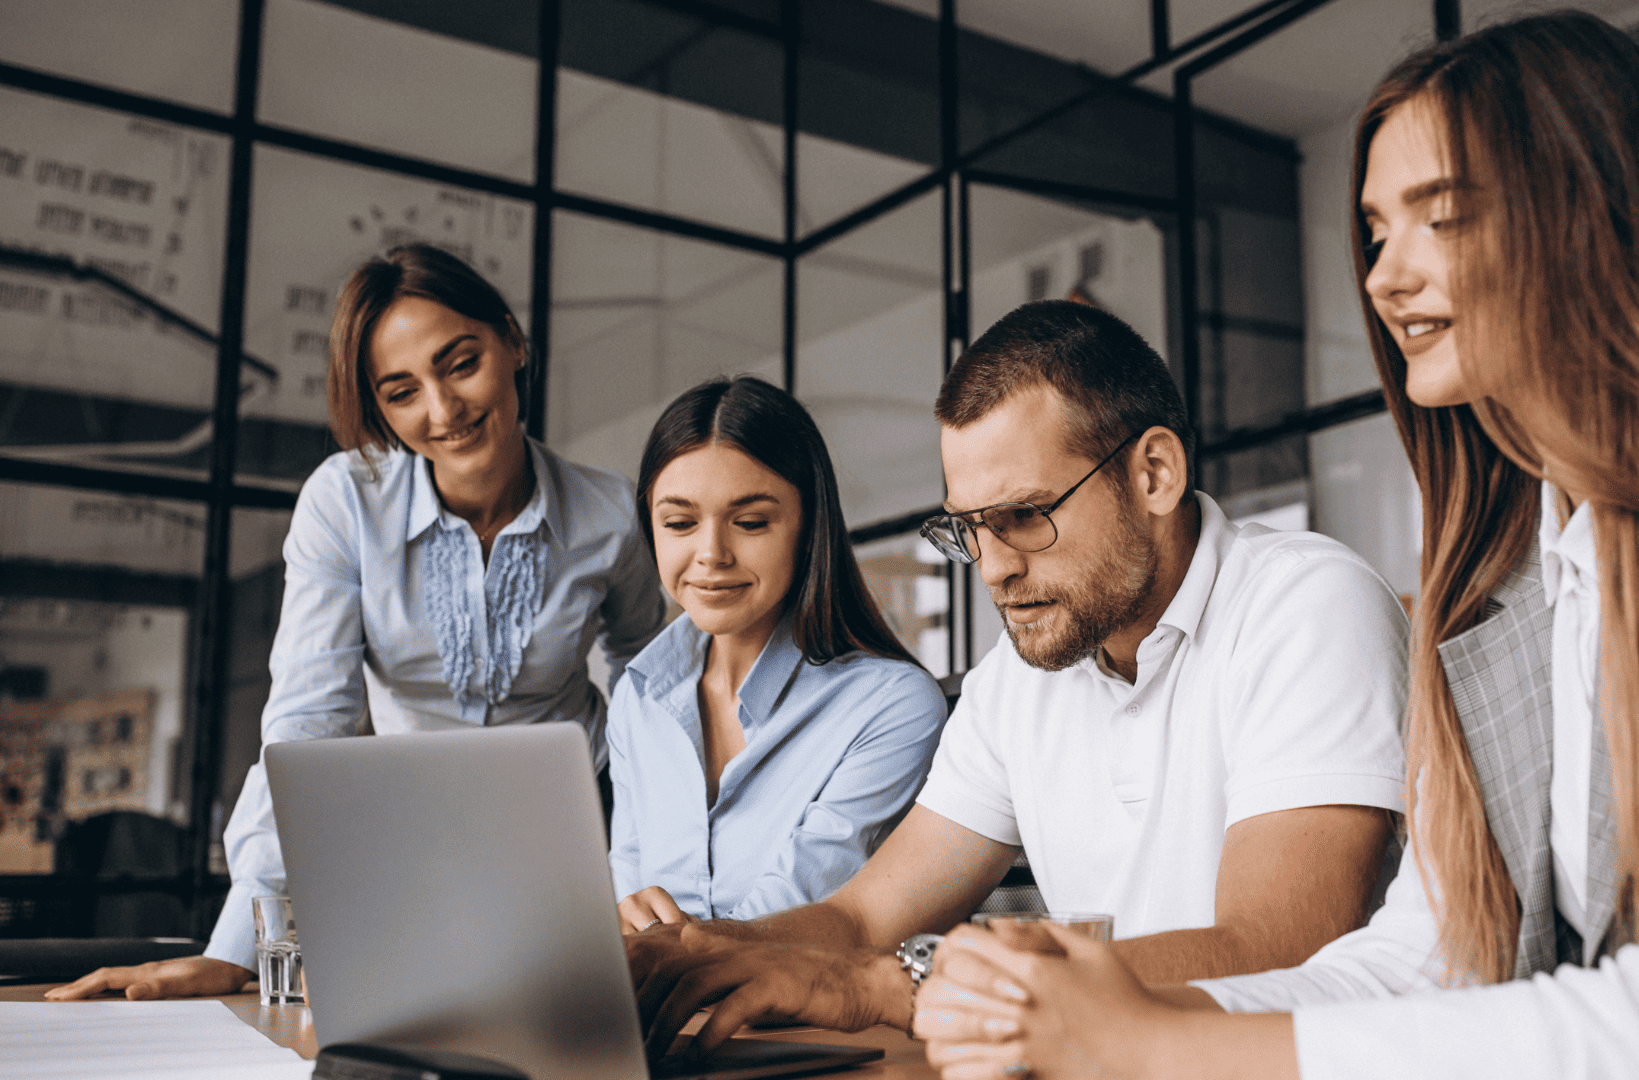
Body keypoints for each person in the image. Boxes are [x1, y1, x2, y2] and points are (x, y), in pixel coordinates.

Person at [913, 12, 1639, 1080]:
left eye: (1439, 218)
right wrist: (1117, 1005)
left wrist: (1161, 1041)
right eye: (1376, 232)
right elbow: (1427, 958)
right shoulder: (1507, 576)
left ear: (1590, 213)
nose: (1387, 276)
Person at [626, 299, 1411, 1056]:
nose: (995, 570)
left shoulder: (1305, 604)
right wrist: (692, 949)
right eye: (968, 528)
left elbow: (1273, 946)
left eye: (1026, 516)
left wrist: (908, 982)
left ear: (1155, 474)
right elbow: (865, 920)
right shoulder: (1020, 680)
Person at [47, 243, 667, 1001]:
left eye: (461, 362)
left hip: (576, 819)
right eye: (402, 391)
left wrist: (640, 873)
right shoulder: (344, 502)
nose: (443, 412)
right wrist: (241, 945)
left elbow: (653, 692)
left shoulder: (610, 514)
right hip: (410, 830)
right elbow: (310, 723)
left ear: (513, 341)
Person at [608, 375, 947, 932]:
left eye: (750, 523)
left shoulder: (892, 705)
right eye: (680, 523)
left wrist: (662, 951)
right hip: (656, 1008)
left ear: (807, 529)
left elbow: (798, 915)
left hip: (804, 1014)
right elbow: (628, 892)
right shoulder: (636, 699)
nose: (711, 554)